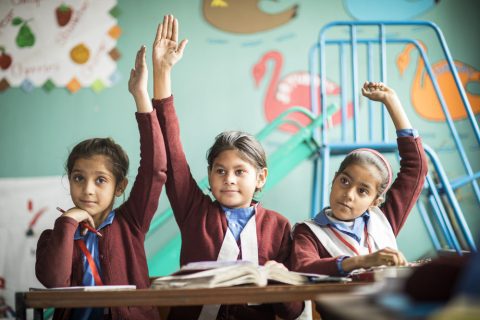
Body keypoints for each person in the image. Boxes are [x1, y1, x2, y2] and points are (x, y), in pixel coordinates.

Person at [151, 14, 303, 320]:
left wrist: (281, 278)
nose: (229, 179)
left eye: (240, 171)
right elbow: (171, 149)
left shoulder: (280, 227)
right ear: (209, 176)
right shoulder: (194, 211)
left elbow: (292, 311)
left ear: (261, 177)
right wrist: (162, 72)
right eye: (220, 170)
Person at [35, 45, 166, 320]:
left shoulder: (132, 223)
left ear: (120, 187)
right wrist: (70, 221)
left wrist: (141, 96)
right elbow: (54, 282)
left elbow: (155, 168)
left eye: (101, 180)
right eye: (78, 178)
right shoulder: (55, 236)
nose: (87, 189)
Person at [291, 81, 428, 276]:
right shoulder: (308, 232)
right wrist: (362, 261)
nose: (348, 194)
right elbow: (302, 267)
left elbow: (416, 168)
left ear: (375, 202)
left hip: (389, 303)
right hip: (343, 307)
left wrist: (392, 102)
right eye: (345, 181)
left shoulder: (383, 220)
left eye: (362, 191)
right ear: (335, 178)